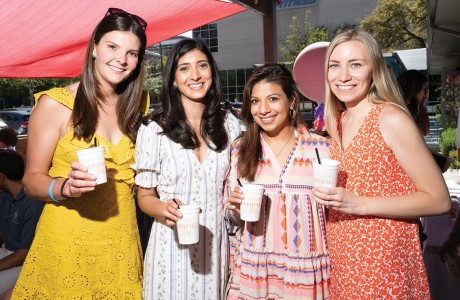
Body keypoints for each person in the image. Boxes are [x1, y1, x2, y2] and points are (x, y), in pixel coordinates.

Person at [12, 8, 149, 299]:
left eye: (132, 53)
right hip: (66, 243)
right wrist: (64, 186)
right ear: (95, 47)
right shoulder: (55, 105)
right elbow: (31, 180)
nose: (122, 60)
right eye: (113, 46)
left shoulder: (138, 105)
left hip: (122, 243)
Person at [311, 28, 451, 299]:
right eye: (335, 65)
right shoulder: (337, 121)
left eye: (355, 65)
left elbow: (439, 200)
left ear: (374, 70)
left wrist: (360, 204)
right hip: (345, 263)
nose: (343, 76)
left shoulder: (390, 118)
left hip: (386, 266)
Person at [133, 38, 241, 299]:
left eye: (202, 65)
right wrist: (164, 208)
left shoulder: (230, 125)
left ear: (211, 73)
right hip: (170, 248)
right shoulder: (153, 129)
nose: (195, 75)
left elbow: (235, 184)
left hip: (215, 246)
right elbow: (144, 197)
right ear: (173, 79)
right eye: (184, 68)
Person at [225, 63, 331, 299]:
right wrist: (235, 209)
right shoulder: (240, 149)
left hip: (305, 273)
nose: (263, 109)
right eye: (255, 101)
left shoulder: (322, 149)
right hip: (256, 270)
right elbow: (230, 215)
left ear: (291, 101)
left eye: (273, 99)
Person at [0, 150, 44, 298]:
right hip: (9, 251)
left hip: (25, 260)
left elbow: (24, 254)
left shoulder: (33, 202)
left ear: (1, 177)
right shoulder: (5, 197)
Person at [397, 70, 430, 136]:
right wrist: (423, 106)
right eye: (425, 89)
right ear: (414, 87)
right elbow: (422, 133)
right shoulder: (399, 110)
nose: (426, 94)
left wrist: (423, 105)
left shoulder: (406, 107)